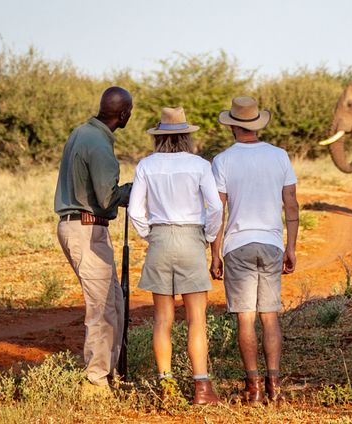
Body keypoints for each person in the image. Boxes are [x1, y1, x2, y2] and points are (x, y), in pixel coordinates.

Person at [128, 107, 223, 405]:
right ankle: (202, 389)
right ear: (186, 136)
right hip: (191, 238)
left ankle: (166, 387)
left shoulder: (146, 165)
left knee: (162, 319)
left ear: (159, 136)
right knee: (197, 319)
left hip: (160, 238)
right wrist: (207, 237)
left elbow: (134, 211)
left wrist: (149, 234)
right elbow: (216, 208)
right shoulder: (199, 165)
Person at [210, 96, 299, 405]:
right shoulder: (280, 156)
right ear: (256, 124)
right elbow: (291, 206)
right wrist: (291, 246)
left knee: (245, 319)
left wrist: (214, 253)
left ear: (233, 125)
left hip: (237, 246)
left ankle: (254, 387)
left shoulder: (222, 161)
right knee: (270, 317)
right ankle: (275, 386)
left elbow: (217, 212)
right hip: (273, 243)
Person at [54, 86, 133, 395]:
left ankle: (111, 374)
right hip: (86, 230)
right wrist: (137, 190)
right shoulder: (99, 143)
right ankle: (96, 384)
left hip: (83, 227)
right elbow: (107, 196)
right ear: (124, 114)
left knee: (115, 303)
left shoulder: (83, 132)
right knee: (101, 310)